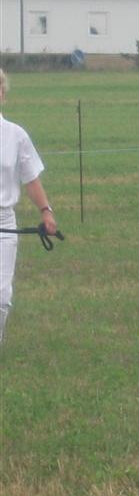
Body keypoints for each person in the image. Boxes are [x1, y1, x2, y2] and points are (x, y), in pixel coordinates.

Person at [0, 69, 58, 344]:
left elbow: (31, 177)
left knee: (1, 294)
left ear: (3, 95)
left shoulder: (15, 135)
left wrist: (46, 211)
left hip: (4, 223)